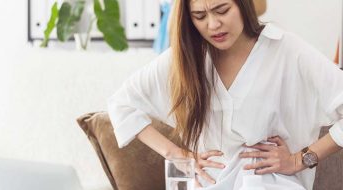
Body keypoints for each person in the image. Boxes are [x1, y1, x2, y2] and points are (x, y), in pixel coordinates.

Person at [107, 0, 343, 189]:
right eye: (200, 16)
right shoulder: (185, 58)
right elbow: (122, 104)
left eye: (222, 10)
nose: (213, 25)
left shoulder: (285, 50)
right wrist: (177, 154)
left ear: (243, 5)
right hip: (209, 182)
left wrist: (300, 160)